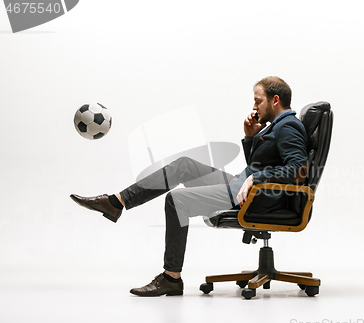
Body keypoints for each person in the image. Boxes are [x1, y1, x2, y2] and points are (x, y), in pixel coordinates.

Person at [70, 76, 308, 296]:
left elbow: (299, 169)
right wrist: (250, 137)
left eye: (258, 101)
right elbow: (261, 163)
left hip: (256, 197)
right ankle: (117, 202)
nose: (254, 107)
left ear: (275, 100)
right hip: (242, 187)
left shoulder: (288, 126)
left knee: (177, 200)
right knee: (184, 165)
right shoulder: (277, 126)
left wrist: (257, 178)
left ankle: (171, 277)